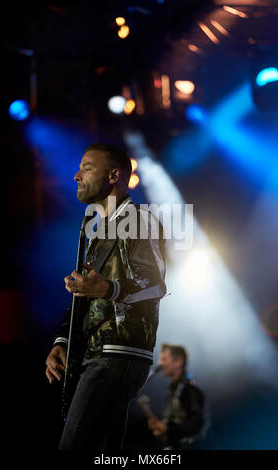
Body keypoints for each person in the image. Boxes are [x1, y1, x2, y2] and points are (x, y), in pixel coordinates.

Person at [45, 143, 166, 450]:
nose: (76, 176)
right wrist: (63, 341)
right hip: (98, 354)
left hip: (118, 355)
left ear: (114, 175)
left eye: (86, 168)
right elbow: (84, 295)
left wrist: (108, 289)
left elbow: (156, 284)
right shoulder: (98, 229)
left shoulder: (138, 218)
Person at [147, 344, 207, 449]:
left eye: (164, 359)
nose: (159, 363)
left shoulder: (189, 388)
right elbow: (178, 420)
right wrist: (162, 427)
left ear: (178, 361)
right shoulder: (173, 387)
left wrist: (168, 429)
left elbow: (197, 424)